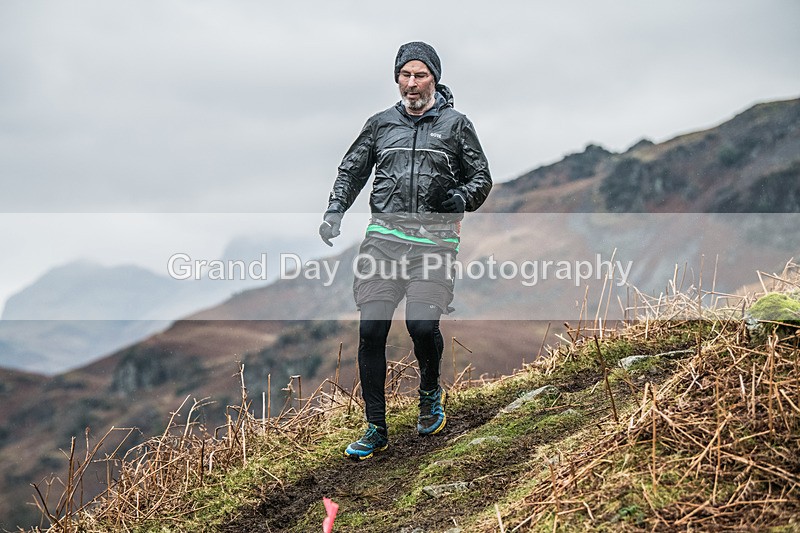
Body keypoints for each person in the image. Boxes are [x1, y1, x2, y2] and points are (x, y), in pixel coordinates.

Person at [319, 41, 492, 460]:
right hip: (384, 241)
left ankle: (430, 394)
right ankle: (375, 428)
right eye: (405, 75)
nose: (412, 83)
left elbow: (481, 178)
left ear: (434, 78)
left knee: (420, 325)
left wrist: (461, 198)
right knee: (371, 331)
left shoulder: (456, 125)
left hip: (434, 243)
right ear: (397, 78)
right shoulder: (380, 125)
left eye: (420, 75)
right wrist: (335, 211)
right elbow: (352, 171)